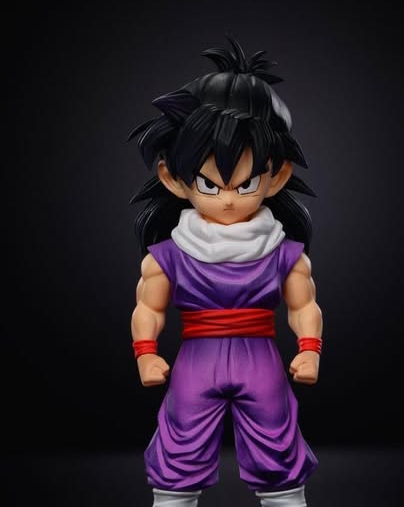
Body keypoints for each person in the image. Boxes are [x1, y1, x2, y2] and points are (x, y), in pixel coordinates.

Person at [129, 36, 323, 507]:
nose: (230, 199)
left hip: (262, 360)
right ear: (173, 179)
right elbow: (148, 308)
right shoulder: (168, 254)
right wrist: (146, 354)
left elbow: (304, 305)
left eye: (247, 183)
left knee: (277, 443)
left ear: (276, 176)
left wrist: (310, 349)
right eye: (210, 185)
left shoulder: (284, 252)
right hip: (196, 360)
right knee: (180, 444)